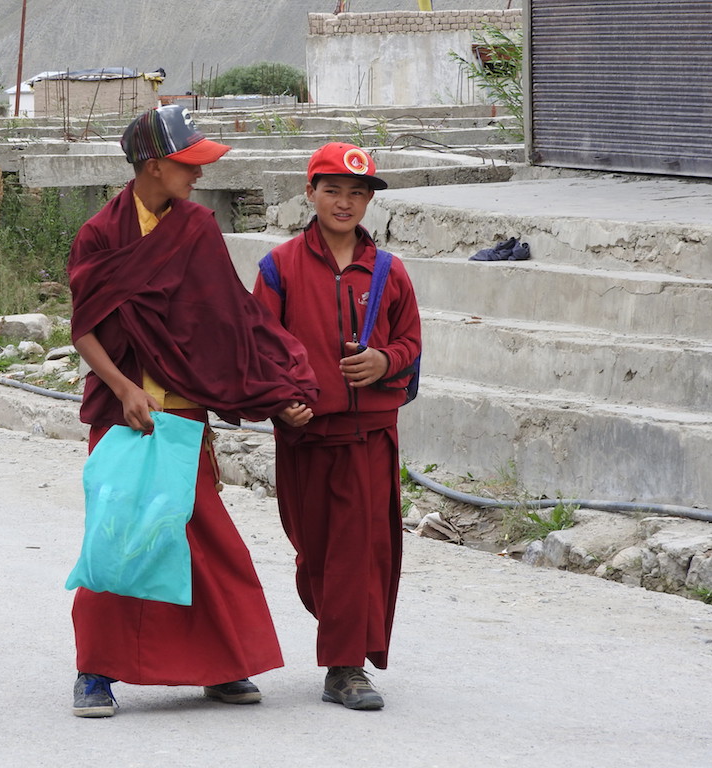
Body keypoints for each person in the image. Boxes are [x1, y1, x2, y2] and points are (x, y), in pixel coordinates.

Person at [66, 104, 319, 718]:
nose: (198, 175)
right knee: (120, 537)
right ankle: (95, 672)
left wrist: (278, 384)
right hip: (124, 413)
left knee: (204, 542)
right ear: (153, 166)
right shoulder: (101, 234)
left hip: (183, 415)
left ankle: (221, 666)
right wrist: (125, 389)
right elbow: (85, 330)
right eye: (188, 164)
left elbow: (230, 318)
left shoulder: (197, 227)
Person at [252, 142, 422, 711]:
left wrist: (384, 361)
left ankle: (344, 667)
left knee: (360, 549)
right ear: (311, 194)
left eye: (358, 193)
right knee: (316, 552)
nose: (345, 203)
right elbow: (260, 348)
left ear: (369, 202)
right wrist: (279, 402)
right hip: (306, 434)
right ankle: (340, 626)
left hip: (369, 435)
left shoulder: (390, 272)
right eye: (334, 191)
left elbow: (411, 344)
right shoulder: (279, 268)